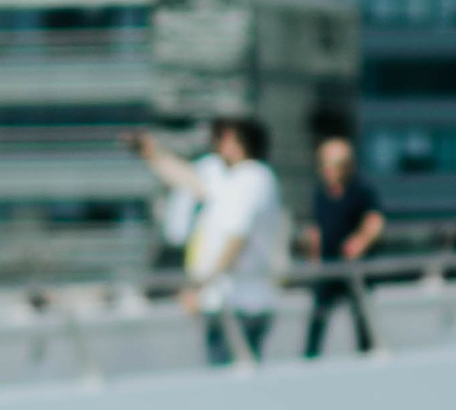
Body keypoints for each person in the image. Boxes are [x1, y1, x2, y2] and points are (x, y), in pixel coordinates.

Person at [138, 116, 287, 365]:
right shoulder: (223, 175)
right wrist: (151, 153)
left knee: (233, 382)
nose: (221, 145)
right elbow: (187, 178)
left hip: (245, 302)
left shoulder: (255, 178)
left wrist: (199, 286)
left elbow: (235, 240)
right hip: (223, 301)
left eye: (229, 140)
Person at [302, 123, 385, 357]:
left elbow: (375, 221)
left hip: (354, 269)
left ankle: (368, 358)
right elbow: (317, 228)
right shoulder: (320, 193)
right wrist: (313, 255)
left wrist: (360, 241)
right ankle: (309, 361)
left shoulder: (360, 190)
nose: (330, 170)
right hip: (328, 268)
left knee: (361, 321)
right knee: (318, 319)